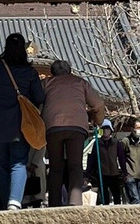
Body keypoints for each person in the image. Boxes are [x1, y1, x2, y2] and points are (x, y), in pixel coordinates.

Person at [0, 32, 45, 210]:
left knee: (0, 164)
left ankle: (4, 203)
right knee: (18, 163)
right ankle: (14, 201)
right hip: (20, 126)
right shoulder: (30, 72)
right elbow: (39, 97)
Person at [42, 58, 104, 207]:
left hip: (52, 126)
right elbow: (98, 104)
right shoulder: (80, 82)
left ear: (52, 72)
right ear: (69, 71)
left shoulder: (46, 83)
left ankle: (54, 203)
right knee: (75, 165)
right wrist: (98, 121)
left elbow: (35, 100)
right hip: (77, 126)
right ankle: (75, 201)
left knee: (55, 167)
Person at [88, 118, 125, 205]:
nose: (105, 131)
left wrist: (125, 172)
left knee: (116, 197)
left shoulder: (116, 143)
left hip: (114, 174)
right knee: (104, 198)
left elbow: (121, 158)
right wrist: (87, 175)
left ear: (111, 130)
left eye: (107, 129)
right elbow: (92, 160)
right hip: (102, 174)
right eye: (103, 129)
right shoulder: (97, 143)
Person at [120, 119, 140, 205]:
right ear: (132, 129)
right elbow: (121, 158)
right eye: (137, 128)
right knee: (135, 200)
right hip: (130, 175)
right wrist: (125, 173)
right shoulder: (125, 141)